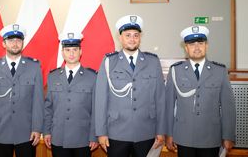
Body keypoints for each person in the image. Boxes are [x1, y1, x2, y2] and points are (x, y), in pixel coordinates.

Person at [95, 15, 166, 157]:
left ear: (140, 37)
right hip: (116, 132)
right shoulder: (109, 61)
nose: (132, 39)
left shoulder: (152, 62)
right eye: (127, 35)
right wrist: (101, 132)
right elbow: (101, 100)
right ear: (120, 38)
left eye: (136, 35)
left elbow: (160, 99)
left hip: (146, 131)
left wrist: (161, 130)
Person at [165, 25, 236, 157]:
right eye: (192, 44)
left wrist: (228, 135)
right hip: (183, 135)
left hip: (211, 136)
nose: (197, 47)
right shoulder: (176, 70)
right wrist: (168, 134)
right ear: (186, 48)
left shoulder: (219, 71)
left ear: (206, 46)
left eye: (200, 43)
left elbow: (228, 106)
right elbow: (169, 105)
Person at [0, 24, 44, 157]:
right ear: (4, 43)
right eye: (11, 40)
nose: (15, 44)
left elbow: (38, 101)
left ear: (23, 43)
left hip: (26, 132)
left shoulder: (34, 66)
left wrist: (37, 128)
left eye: (18, 40)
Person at [43, 32, 99, 157]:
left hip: (83, 138)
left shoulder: (93, 77)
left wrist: (94, 136)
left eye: (75, 49)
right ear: (62, 53)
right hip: (58, 137)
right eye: (67, 50)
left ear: (81, 52)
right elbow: (48, 108)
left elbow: (97, 110)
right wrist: (46, 131)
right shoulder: (53, 76)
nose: (71, 53)